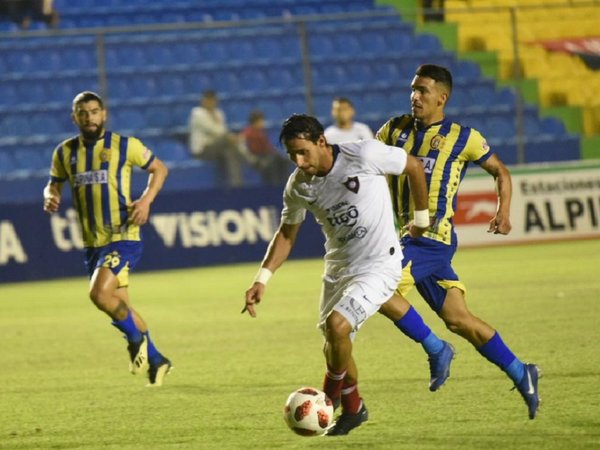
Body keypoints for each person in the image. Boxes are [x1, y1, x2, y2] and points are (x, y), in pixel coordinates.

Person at [243, 114, 453, 436]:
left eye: (303, 152)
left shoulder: (363, 154)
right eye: (292, 156)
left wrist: (421, 220)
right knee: (336, 345)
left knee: (336, 326)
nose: (299, 161)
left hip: (380, 262)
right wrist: (262, 279)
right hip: (339, 269)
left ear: (321, 142)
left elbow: (411, 165)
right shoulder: (299, 185)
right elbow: (286, 236)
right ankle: (355, 409)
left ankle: (330, 396)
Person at [375, 64, 541, 419]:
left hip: (432, 241)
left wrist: (503, 211)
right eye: (413, 90)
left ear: (442, 97)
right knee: (458, 318)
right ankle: (521, 371)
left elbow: (500, 171)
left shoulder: (464, 137)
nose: (414, 97)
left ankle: (436, 350)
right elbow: (366, 163)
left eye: (422, 91)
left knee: (376, 289)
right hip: (406, 239)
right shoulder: (393, 129)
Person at [43, 91, 172, 387]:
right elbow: (52, 184)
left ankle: (135, 340)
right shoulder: (64, 152)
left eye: (94, 111)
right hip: (92, 242)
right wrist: (50, 196)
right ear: (74, 117)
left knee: (98, 294)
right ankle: (156, 359)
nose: (89, 117)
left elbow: (159, 169)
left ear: (104, 114)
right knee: (118, 303)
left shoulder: (125, 146)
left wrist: (145, 200)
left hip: (122, 234)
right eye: (83, 112)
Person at [188, 90, 249, 188]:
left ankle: (237, 186)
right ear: (203, 101)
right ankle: (247, 158)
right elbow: (214, 130)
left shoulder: (219, 113)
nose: (211, 103)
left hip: (219, 148)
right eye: (208, 100)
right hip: (203, 150)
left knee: (229, 153)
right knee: (227, 139)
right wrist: (231, 138)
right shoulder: (197, 113)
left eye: (213, 100)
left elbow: (222, 131)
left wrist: (231, 138)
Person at [240, 110, 291, 186]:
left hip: (266, 156)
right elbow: (254, 150)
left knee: (283, 160)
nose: (262, 123)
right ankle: (273, 186)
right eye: (261, 121)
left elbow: (268, 148)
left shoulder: (261, 133)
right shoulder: (248, 133)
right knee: (272, 163)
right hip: (257, 158)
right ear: (255, 122)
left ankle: (285, 185)